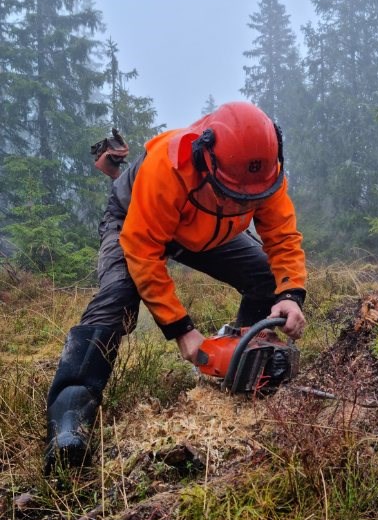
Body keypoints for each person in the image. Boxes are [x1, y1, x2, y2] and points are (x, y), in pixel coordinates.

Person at [45, 101, 307, 471]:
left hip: (203, 230)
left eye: (246, 197)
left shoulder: (261, 171)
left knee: (266, 278)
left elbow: (281, 235)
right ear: (206, 159)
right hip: (135, 220)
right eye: (231, 192)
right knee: (117, 299)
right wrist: (181, 329)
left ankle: (246, 367)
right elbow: (142, 250)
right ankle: (70, 419)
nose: (240, 200)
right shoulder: (167, 167)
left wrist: (291, 294)